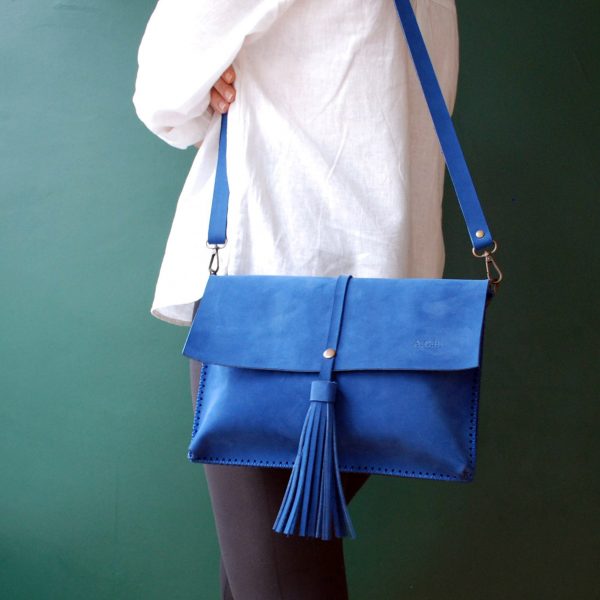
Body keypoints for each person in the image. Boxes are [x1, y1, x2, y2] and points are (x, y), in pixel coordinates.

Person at [132, 1, 459, 598]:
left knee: (278, 577)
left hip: (266, 288)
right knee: (265, 573)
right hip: (389, 309)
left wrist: (207, 85)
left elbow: (162, 89)